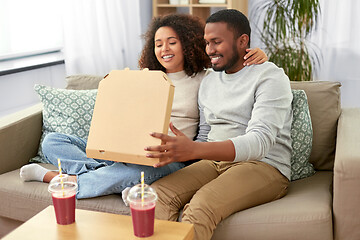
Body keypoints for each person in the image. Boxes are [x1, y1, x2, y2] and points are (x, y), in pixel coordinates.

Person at [19, 13, 267, 201]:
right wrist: (113, 90)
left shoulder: (206, 78)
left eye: (172, 42)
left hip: (168, 158)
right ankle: (105, 172)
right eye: (158, 44)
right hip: (126, 148)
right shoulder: (144, 77)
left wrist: (257, 54)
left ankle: (59, 179)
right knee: (53, 140)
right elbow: (120, 118)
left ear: (189, 43)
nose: (164, 49)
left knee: (134, 172)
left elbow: (233, 68)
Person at [145, 9, 293, 240]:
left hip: (263, 165)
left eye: (216, 42)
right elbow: (206, 133)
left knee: (200, 206)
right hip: (213, 162)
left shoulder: (270, 78)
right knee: (155, 196)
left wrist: (194, 150)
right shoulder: (209, 80)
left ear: (243, 41)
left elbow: (260, 142)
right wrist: (182, 150)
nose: (209, 50)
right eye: (206, 42)